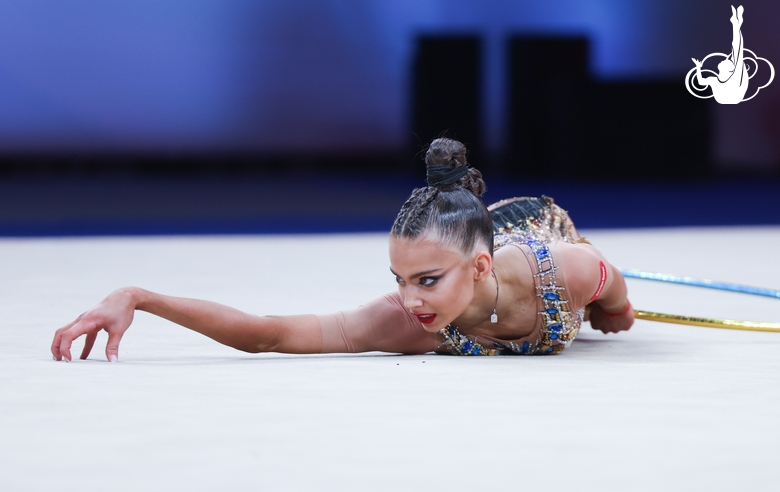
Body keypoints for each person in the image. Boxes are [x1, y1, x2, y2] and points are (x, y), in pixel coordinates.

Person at [50, 138, 633, 362]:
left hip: (538, 224)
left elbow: (608, 279)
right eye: (400, 279)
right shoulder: (408, 324)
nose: (408, 299)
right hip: (480, 254)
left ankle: (473, 220)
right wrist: (140, 296)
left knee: (591, 284)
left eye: (425, 280)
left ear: (478, 268)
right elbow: (268, 333)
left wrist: (615, 311)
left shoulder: (564, 270)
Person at [692, 5, 748, 104]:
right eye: (728, 60)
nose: (725, 59)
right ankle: (736, 23)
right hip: (728, 98)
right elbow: (701, 82)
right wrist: (698, 67)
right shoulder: (714, 80)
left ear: (729, 69)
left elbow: (737, 49)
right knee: (737, 51)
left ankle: (736, 23)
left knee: (737, 50)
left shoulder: (733, 77)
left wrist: (736, 26)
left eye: (727, 61)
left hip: (733, 96)